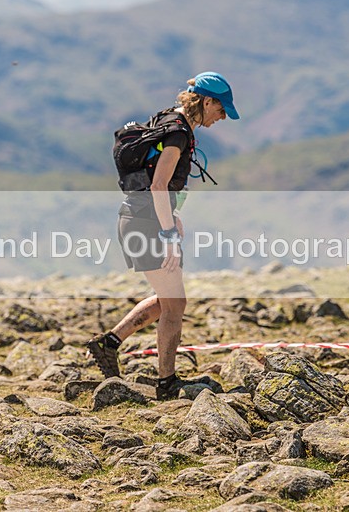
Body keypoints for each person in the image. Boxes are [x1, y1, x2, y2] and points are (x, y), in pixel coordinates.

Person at [87, 72, 239, 400]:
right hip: (147, 226)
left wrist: (174, 217)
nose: (222, 116)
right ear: (207, 101)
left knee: (167, 299)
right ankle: (167, 384)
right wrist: (169, 233)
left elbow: (158, 186)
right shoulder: (178, 133)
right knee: (175, 303)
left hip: (141, 220)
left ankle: (109, 343)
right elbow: (158, 185)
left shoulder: (166, 120)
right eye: (221, 109)